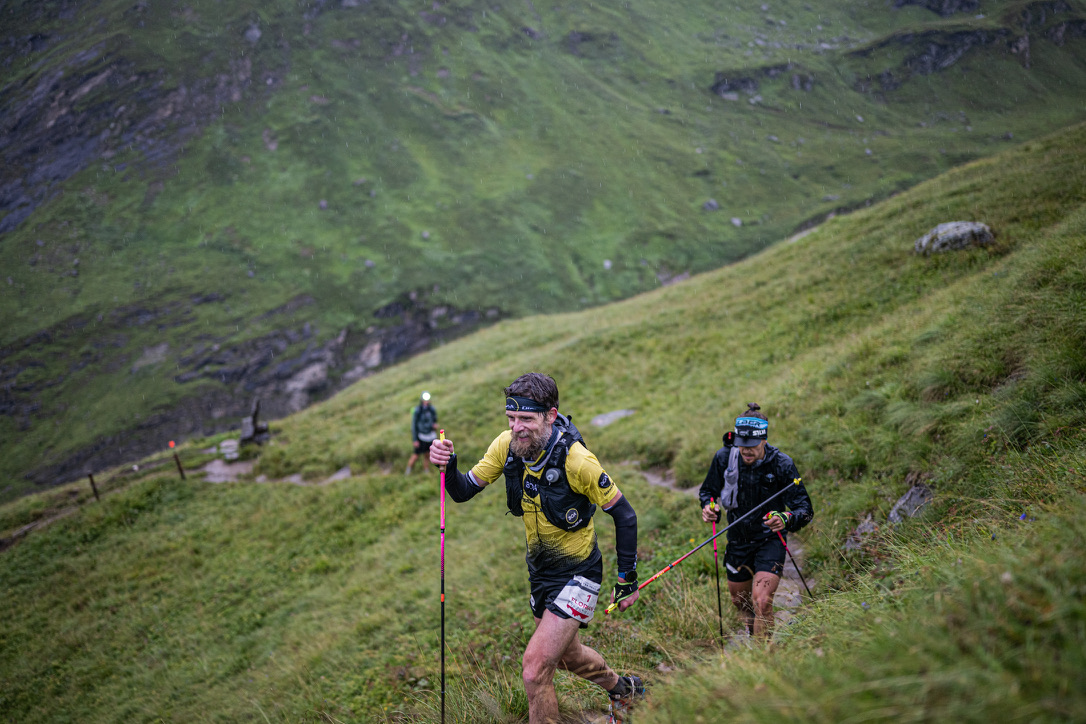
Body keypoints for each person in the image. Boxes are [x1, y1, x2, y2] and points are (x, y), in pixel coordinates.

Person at [429, 372, 645, 724]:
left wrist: (627, 578)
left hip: (579, 573)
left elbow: (625, 514)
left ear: (551, 415)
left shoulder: (578, 461)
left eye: (526, 418)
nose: (517, 428)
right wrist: (448, 463)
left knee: (534, 670)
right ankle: (623, 689)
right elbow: (462, 490)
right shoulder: (507, 446)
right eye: (511, 418)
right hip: (541, 572)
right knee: (566, 657)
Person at [698, 403, 814, 640]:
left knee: (762, 602)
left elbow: (805, 509)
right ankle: (754, 637)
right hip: (738, 540)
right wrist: (709, 507)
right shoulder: (724, 458)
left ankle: (763, 659)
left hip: (769, 540)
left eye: (751, 446)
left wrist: (786, 518)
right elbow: (708, 491)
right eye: (741, 445)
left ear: (764, 440)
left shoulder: (782, 464)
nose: (745, 451)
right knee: (740, 602)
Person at [406, 391, 439, 475]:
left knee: (427, 454)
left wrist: (434, 425)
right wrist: (415, 439)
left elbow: (434, 420)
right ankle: (408, 470)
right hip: (421, 436)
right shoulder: (418, 410)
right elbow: (414, 426)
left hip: (430, 436)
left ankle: (426, 470)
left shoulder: (432, 410)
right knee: (416, 455)